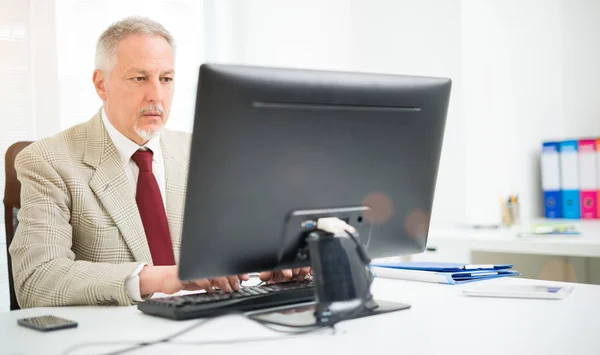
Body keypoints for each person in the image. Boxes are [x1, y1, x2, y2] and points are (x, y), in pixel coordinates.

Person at [9, 16, 310, 308]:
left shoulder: (203, 151)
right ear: (101, 84)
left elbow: (240, 247)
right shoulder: (49, 161)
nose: (156, 95)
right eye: (139, 78)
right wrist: (158, 277)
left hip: (205, 327)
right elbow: (35, 280)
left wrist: (273, 268)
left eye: (166, 79)